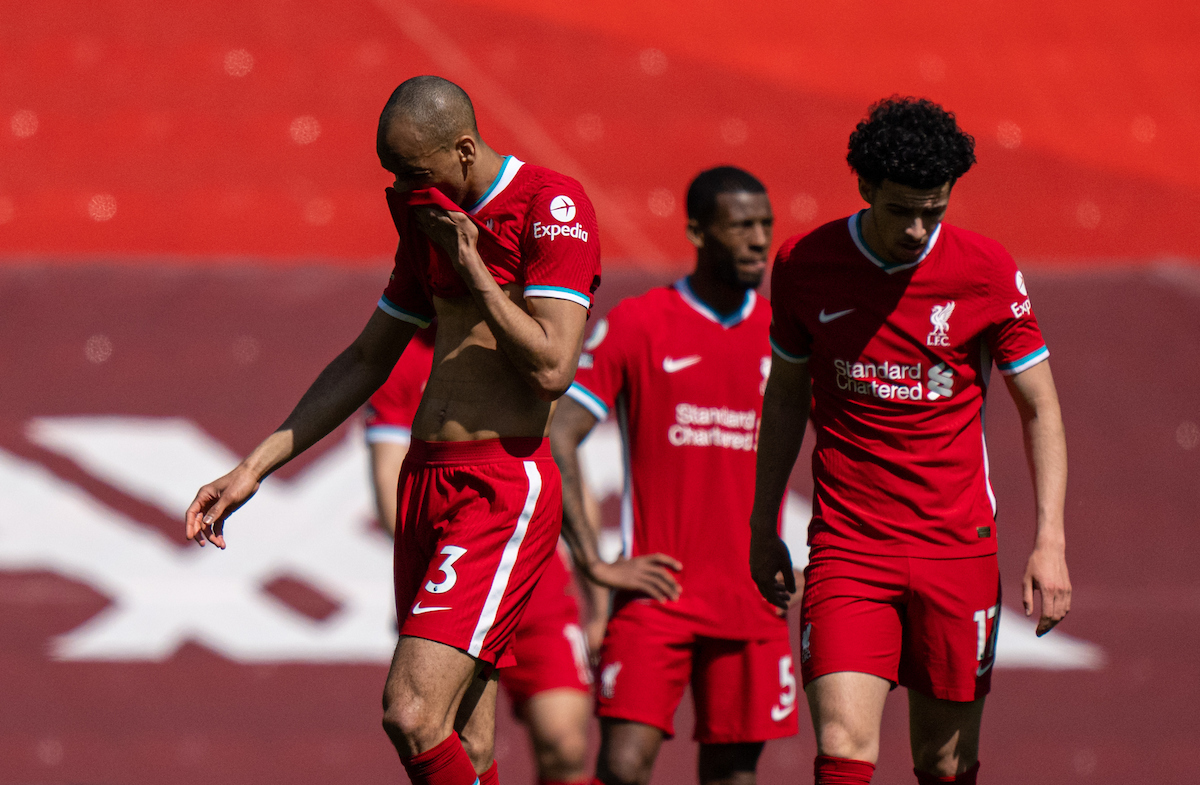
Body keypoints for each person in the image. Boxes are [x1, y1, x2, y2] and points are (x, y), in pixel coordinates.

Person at [185, 75, 601, 785]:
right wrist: (253, 467)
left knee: (410, 710)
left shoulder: (551, 206)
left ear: (464, 150)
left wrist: (472, 265)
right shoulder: (428, 216)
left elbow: (554, 366)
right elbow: (366, 357)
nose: (407, 189)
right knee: (465, 745)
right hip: (426, 481)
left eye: (415, 172)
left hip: (499, 485)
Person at [748, 97, 1071, 785]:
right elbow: (784, 396)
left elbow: (1039, 407)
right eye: (902, 210)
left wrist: (1050, 541)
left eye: (936, 210)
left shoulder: (985, 270)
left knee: (944, 762)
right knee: (842, 747)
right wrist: (762, 520)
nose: (919, 229)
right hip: (848, 546)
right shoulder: (805, 264)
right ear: (864, 188)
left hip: (956, 546)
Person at [551, 167, 799, 785]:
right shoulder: (640, 322)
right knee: (621, 767)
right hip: (657, 595)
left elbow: (844, 445)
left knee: (733, 777)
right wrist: (593, 561)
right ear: (696, 230)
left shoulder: (786, 337)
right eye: (741, 226)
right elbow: (559, 433)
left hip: (751, 598)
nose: (758, 240)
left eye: (765, 225)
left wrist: (826, 551)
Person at [365, 326, 594, 785]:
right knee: (452, 739)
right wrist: (437, 569)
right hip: (457, 573)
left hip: (537, 575)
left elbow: (568, 472)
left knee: (566, 743)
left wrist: (597, 587)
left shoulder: (532, 337)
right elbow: (389, 474)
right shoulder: (405, 354)